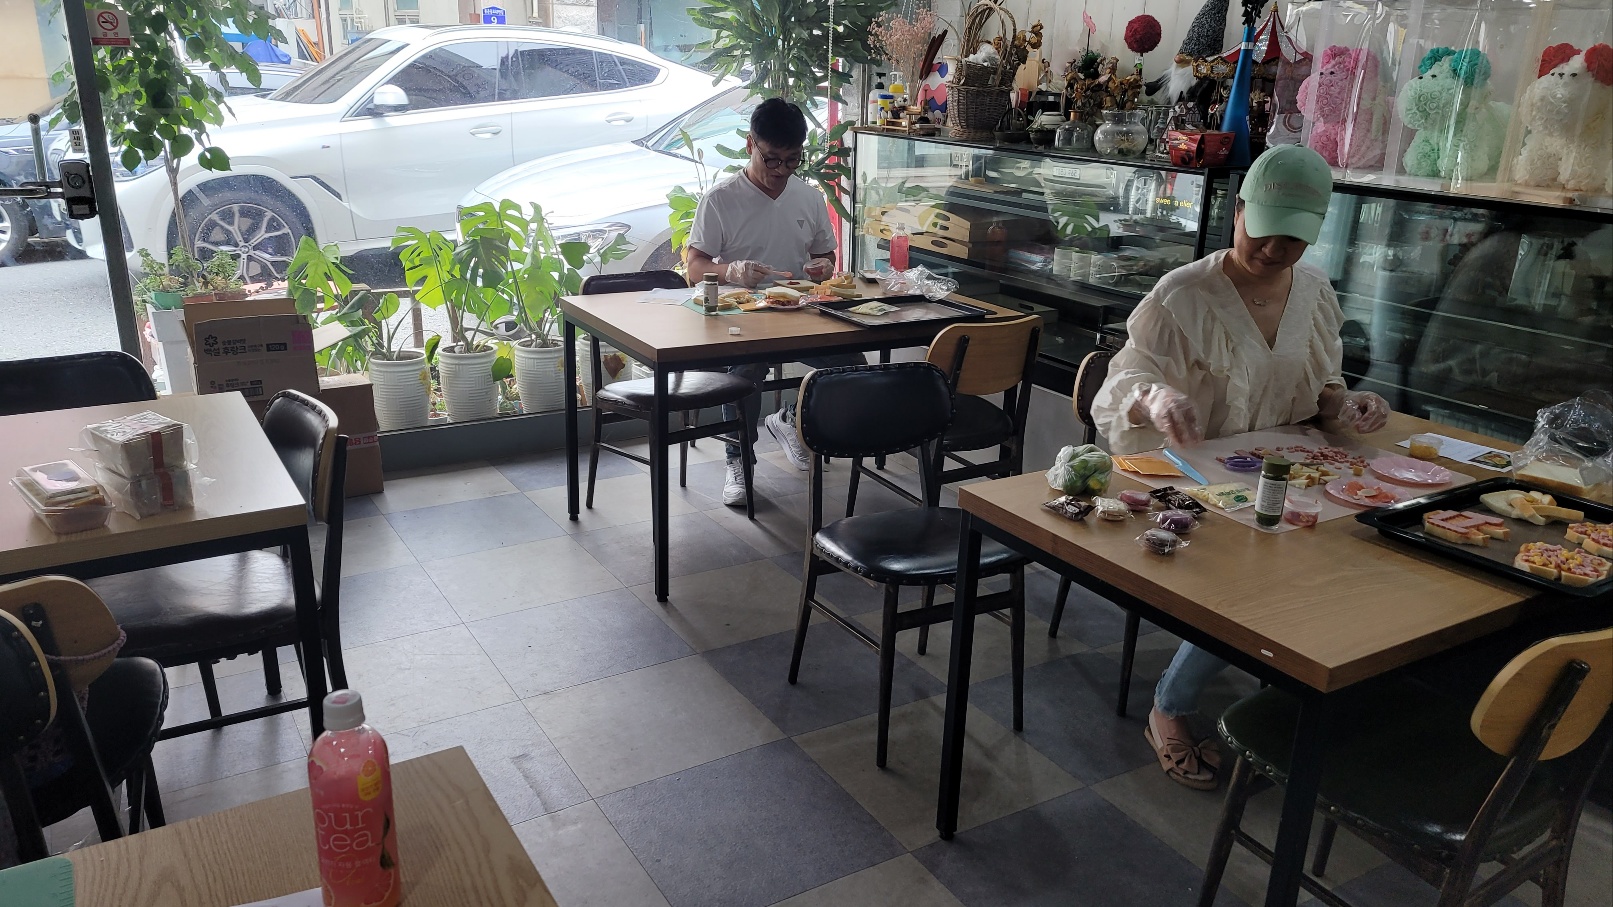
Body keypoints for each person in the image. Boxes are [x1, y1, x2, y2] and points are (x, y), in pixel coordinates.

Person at [1090, 144, 1391, 789]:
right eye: (1264, 230)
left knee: (1345, 553)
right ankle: (1170, 706)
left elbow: (1321, 389)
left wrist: (1347, 405)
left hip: (1281, 468)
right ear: (1238, 211)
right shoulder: (1183, 295)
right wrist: (1155, 397)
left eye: (1294, 238)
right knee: (1253, 576)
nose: (1275, 250)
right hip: (1190, 476)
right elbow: (1119, 387)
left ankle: (1284, 694)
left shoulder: (1314, 292)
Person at [685, 98, 863, 505]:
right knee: (744, 374)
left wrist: (822, 266)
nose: (781, 170)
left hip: (797, 310)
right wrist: (731, 271)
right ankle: (739, 461)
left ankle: (790, 420)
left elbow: (826, 254)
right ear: (751, 145)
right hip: (741, 315)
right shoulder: (721, 199)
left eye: (792, 160)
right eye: (772, 159)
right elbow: (695, 268)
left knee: (851, 365)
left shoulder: (808, 198)